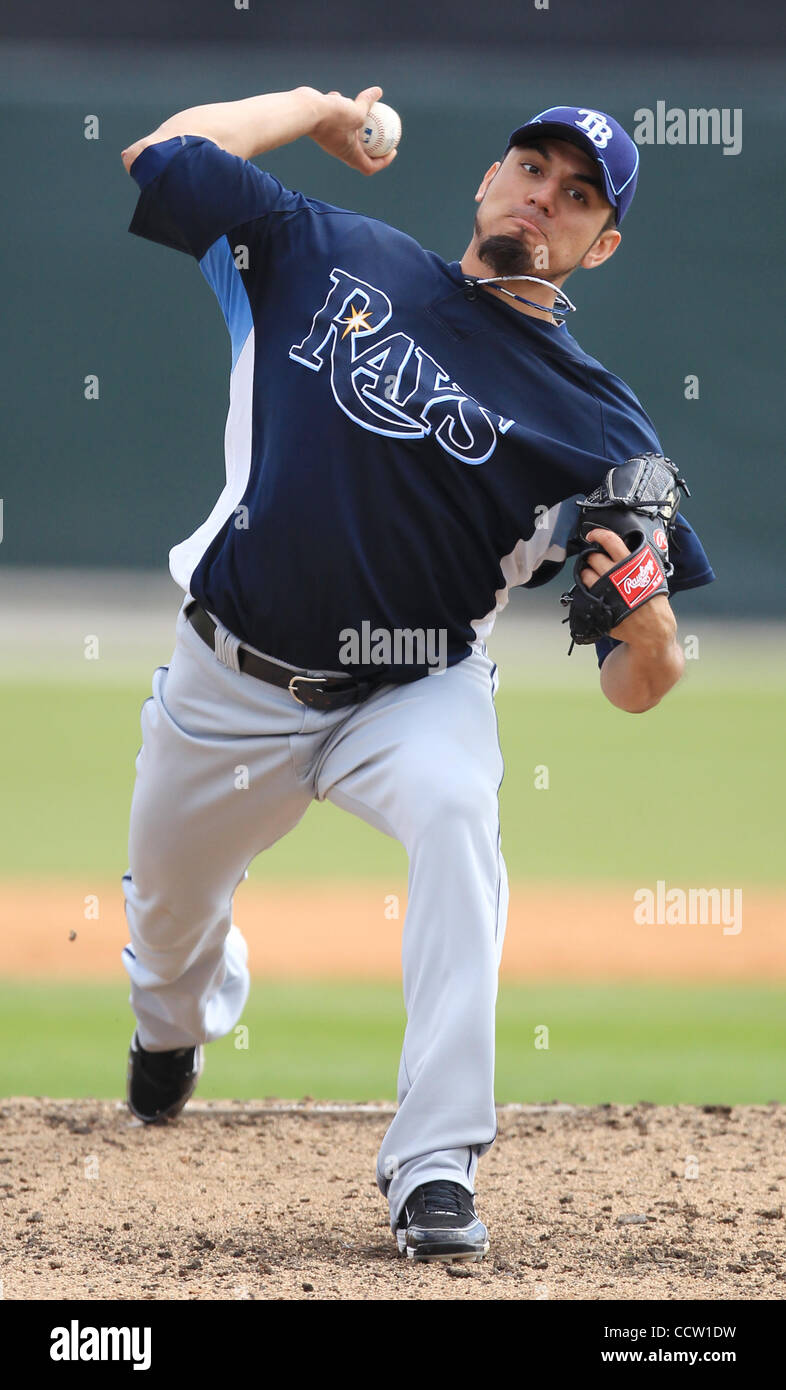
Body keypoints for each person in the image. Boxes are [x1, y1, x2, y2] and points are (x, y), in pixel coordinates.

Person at [119, 87, 714, 1263]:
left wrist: (641, 626)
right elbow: (161, 156)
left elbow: (643, 683)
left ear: (602, 245)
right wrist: (315, 108)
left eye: (579, 195)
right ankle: (173, 1022)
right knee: (168, 929)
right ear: (491, 179)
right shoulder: (320, 246)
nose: (546, 198)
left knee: (458, 819)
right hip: (227, 678)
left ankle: (435, 1162)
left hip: (413, 691)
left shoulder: (599, 426)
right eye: (534, 169)